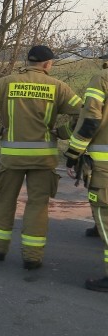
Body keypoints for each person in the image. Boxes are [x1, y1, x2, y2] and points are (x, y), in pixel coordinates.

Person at [0, 45, 82, 269]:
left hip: (11, 159)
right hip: (43, 158)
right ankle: (32, 257)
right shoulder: (58, 87)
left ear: (28, 61)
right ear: (48, 64)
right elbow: (84, 113)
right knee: (38, 205)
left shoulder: (6, 83)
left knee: (4, 202)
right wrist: (63, 133)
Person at [64, 53, 108, 291]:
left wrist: (73, 153)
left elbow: (90, 120)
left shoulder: (102, 78)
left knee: (106, 215)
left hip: (105, 164)